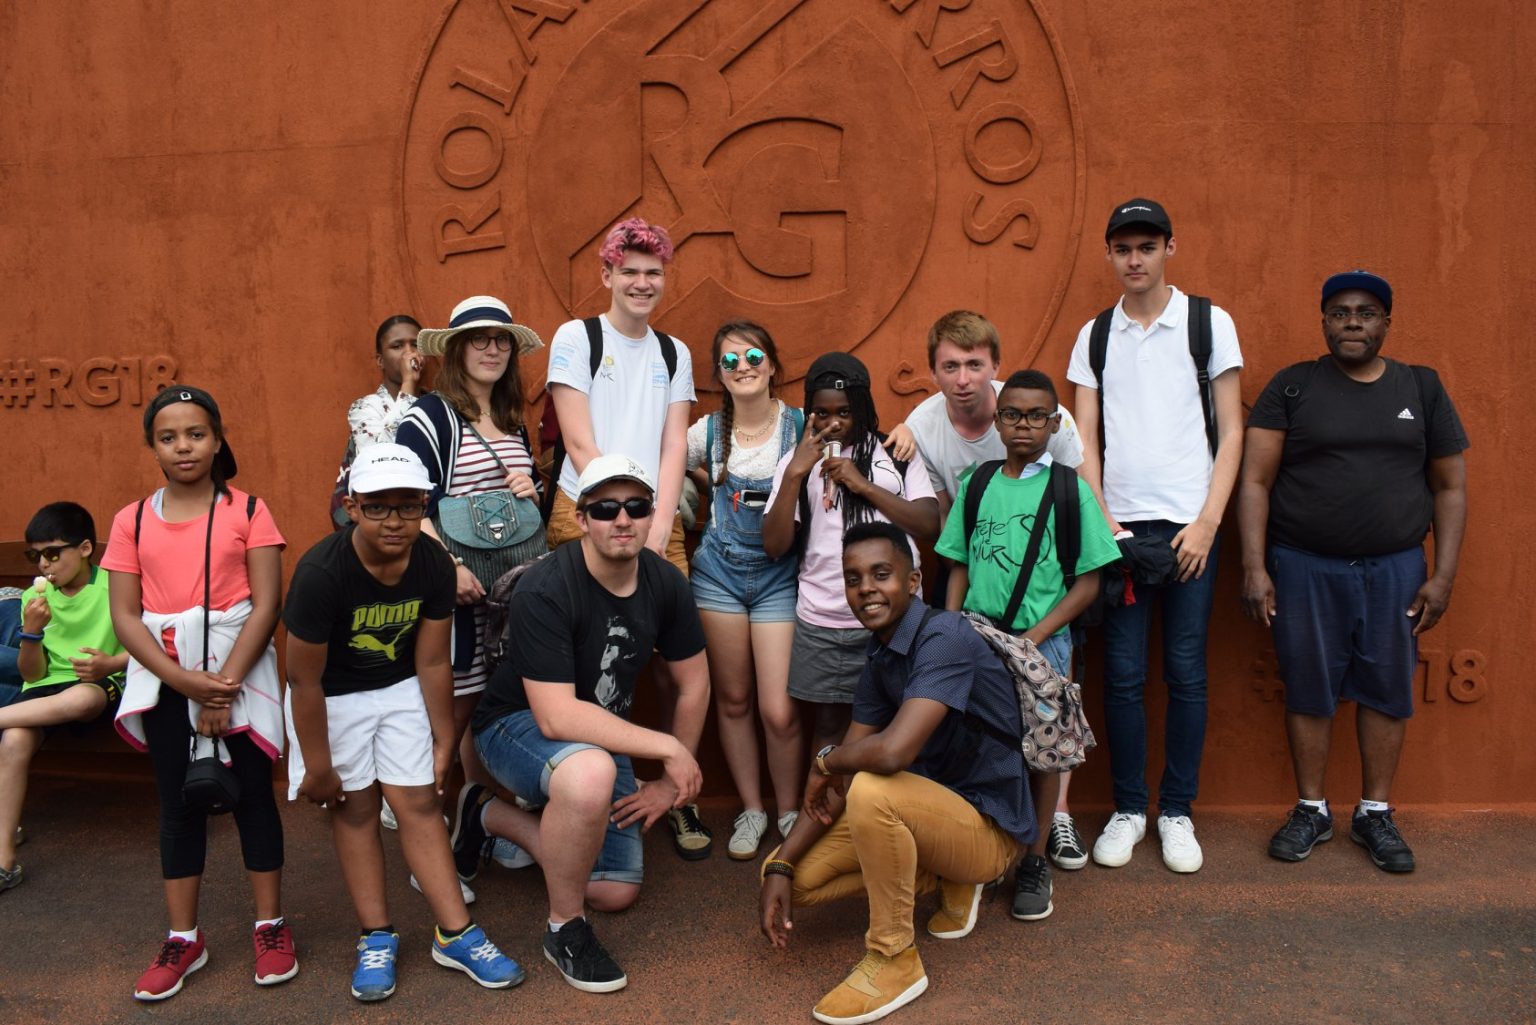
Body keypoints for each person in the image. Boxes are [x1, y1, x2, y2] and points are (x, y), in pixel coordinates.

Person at [1239, 270, 1468, 873]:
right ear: (1324, 320)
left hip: (1395, 567)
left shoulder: (1421, 388)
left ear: (1387, 323)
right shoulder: (1293, 387)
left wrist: (1442, 575)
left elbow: (1449, 486)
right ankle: (1312, 810)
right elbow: (1255, 480)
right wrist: (1255, 566)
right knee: (1309, 685)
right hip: (1304, 565)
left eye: (1366, 313)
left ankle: (1374, 813)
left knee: (1387, 687)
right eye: (1339, 313)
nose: (1353, 323)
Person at [759, 522, 1033, 1025]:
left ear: (913, 580)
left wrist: (825, 761)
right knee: (792, 877)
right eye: (853, 578)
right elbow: (853, 759)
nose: (865, 589)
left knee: (873, 790)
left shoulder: (946, 635)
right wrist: (779, 866)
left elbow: (888, 756)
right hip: (928, 811)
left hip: (988, 829)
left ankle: (894, 958)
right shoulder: (881, 653)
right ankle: (934, 874)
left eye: (881, 574)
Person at [454, 454, 709, 993]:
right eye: (607, 508)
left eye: (636, 507)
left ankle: (484, 816)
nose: (623, 519)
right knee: (590, 773)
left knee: (614, 891)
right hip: (513, 724)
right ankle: (564, 928)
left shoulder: (665, 582)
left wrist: (667, 783)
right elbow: (556, 715)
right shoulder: (547, 587)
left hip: (596, 732)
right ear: (584, 518)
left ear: (651, 513)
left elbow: (694, 684)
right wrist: (667, 747)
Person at [284, 444, 523, 999]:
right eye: (377, 506)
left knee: (418, 803)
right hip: (333, 698)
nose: (394, 520)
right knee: (356, 808)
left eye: (408, 506)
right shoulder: (321, 573)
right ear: (351, 506)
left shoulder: (433, 563)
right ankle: (376, 935)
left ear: (425, 507)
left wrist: (445, 737)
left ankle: (455, 934)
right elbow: (304, 681)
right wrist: (317, 765)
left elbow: (433, 659)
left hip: (397, 689)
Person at [1066, 198, 1244, 873]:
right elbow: (1084, 437)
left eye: (1146, 246)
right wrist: (1104, 521)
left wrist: (1206, 523)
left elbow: (1232, 431)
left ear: (1170, 246)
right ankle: (1128, 809)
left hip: (1193, 529)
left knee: (1188, 672)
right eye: (1122, 248)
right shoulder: (1096, 335)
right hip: (1120, 532)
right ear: (1109, 254)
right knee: (1122, 675)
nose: (1133, 259)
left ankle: (1176, 812)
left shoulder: (1207, 322)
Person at [102, 386, 294, 1001]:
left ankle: (271, 926)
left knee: (253, 802)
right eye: (168, 437)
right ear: (152, 446)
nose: (183, 447)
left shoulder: (249, 510)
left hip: (240, 674)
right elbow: (127, 617)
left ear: (216, 438)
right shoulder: (129, 520)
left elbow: (267, 605)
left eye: (195, 434)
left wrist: (220, 691)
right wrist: (186, 683)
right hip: (165, 679)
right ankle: (184, 937)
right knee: (178, 805)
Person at [887, 310, 1091, 870]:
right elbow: (951, 537)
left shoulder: (1041, 413)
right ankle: (988, 831)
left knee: (1052, 724)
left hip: (1041, 610)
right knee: (984, 721)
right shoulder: (925, 427)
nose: (963, 377)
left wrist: (1040, 626)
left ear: (994, 367)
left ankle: (1056, 826)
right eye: (950, 366)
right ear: (934, 372)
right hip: (978, 606)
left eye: (975, 364)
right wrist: (951, 625)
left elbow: (1074, 496)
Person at [542, 216, 708, 858]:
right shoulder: (576, 338)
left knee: (670, 664)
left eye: (653, 273)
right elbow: (579, 440)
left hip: (655, 522)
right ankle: (588, 793)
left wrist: (658, 522)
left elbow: (673, 443)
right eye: (630, 271)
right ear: (607, 275)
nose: (642, 283)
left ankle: (676, 790)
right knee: (586, 665)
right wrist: (613, 511)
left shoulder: (674, 353)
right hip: (580, 513)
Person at [935, 370, 1121, 919]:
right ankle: (977, 854)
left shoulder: (1069, 489)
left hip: (1045, 646)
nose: (1024, 425)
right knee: (976, 744)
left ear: (1055, 422)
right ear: (997, 421)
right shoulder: (978, 484)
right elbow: (960, 565)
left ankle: (1033, 861)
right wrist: (949, 631)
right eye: (1013, 414)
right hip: (977, 639)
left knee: (1044, 753)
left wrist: (1035, 638)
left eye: (1036, 415)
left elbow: (1089, 581)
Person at [396, 295, 546, 888]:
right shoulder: (428, 417)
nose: (492, 348)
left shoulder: (512, 418)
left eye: (502, 340)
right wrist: (447, 566)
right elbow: (409, 505)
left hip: (507, 594)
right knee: (447, 726)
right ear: (456, 349)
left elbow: (522, 502)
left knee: (491, 711)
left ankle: (479, 828)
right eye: (480, 339)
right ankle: (426, 857)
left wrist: (528, 487)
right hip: (455, 597)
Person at [763, 352, 940, 758]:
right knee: (827, 725)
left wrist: (863, 485)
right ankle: (825, 815)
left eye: (844, 411)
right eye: (821, 413)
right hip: (824, 617)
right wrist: (795, 473)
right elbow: (774, 545)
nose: (833, 422)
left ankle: (877, 817)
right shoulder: (796, 462)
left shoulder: (894, 453)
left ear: (863, 407)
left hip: (896, 615)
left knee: (895, 722)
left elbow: (929, 526)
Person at [686, 321, 804, 859]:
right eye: (729, 362)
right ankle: (753, 810)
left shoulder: (802, 427)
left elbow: (867, 444)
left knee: (778, 709)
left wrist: (910, 433)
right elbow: (674, 479)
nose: (743, 367)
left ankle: (790, 810)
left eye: (753, 355)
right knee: (733, 700)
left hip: (780, 575)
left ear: (773, 364)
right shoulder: (703, 435)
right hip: (718, 577)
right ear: (718, 376)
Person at [0, 502, 128, 894]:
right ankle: (4, 859)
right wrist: (31, 633)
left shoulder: (114, 586)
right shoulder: (32, 601)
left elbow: (147, 645)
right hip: (45, 689)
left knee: (82, 700)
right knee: (16, 739)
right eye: (34, 556)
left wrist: (110, 663)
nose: (44, 565)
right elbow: (32, 675)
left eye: (53, 553)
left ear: (85, 549)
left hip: (102, 682)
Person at [348, 315, 424, 450]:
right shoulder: (365, 408)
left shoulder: (438, 403)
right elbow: (383, 454)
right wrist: (408, 382)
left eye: (415, 345)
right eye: (397, 346)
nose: (409, 352)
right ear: (380, 361)